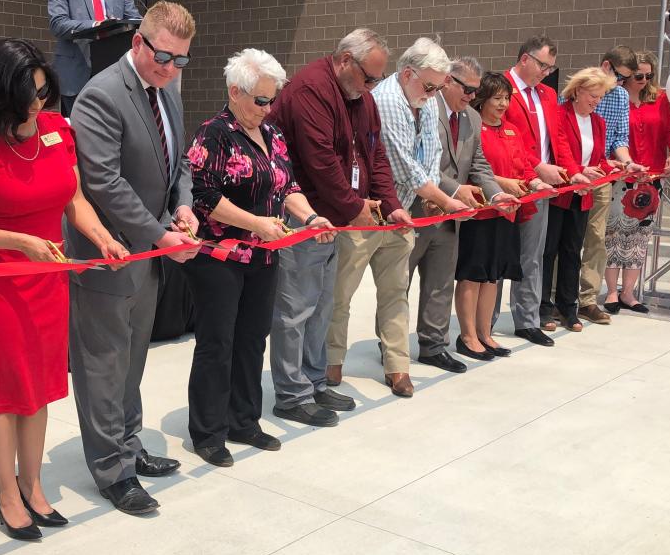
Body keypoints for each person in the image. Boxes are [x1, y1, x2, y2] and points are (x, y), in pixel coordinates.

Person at [0, 39, 129, 536]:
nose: (36, 105)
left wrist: (103, 237)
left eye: (44, 93)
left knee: (41, 387)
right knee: (5, 392)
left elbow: (74, 199)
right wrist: (19, 241)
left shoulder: (55, 130)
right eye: (26, 95)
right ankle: (6, 491)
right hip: (0, 283)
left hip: (48, 277)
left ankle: (34, 483)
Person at [65, 1, 198, 515]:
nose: (171, 68)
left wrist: (182, 207)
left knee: (134, 355)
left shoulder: (168, 92)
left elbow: (178, 161)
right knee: (103, 362)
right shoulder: (100, 96)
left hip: (149, 248)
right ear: (137, 43)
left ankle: (129, 443)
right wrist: (160, 234)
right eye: (164, 56)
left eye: (181, 60)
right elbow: (104, 182)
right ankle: (110, 469)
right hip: (108, 251)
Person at [183, 49, 336, 466]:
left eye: (272, 100)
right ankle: (208, 431)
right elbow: (204, 197)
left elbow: (287, 188)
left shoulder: (273, 136)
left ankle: (244, 420)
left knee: (252, 339)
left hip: (263, 254)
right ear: (235, 92)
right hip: (219, 256)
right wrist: (255, 222)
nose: (267, 109)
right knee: (218, 343)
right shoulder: (213, 134)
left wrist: (311, 216)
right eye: (260, 101)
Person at [268, 29, 412, 422]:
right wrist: (354, 208)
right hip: (302, 213)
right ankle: (292, 394)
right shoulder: (311, 89)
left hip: (333, 217)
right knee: (296, 307)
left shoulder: (361, 98)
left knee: (322, 304)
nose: (372, 87)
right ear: (345, 60)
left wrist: (392, 206)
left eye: (378, 80)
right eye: (369, 77)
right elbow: (320, 162)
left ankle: (314, 382)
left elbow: (375, 155)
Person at [331, 36, 469, 395]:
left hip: (400, 212)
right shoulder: (390, 100)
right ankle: (331, 364)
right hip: (366, 214)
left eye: (439, 87)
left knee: (395, 294)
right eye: (429, 86)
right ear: (408, 73)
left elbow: (431, 156)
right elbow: (404, 167)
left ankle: (397, 366)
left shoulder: (422, 99)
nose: (434, 93)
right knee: (341, 294)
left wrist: (440, 194)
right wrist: (446, 199)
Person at [406, 56, 511, 372]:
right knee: (400, 285)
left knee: (439, 284)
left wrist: (496, 192)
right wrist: (454, 191)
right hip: (417, 211)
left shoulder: (471, 119)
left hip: (451, 218)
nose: (471, 97)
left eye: (476, 91)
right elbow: (419, 163)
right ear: (448, 81)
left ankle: (433, 346)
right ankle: (392, 349)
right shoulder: (424, 109)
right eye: (467, 89)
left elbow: (478, 164)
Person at [454, 73, 549, 359]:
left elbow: (524, 167)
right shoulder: (473, 129)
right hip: (481, 213)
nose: (503, 104)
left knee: (493, 276)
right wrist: (501, 183)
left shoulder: (511, 131)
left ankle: (485, 334)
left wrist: (535, 183)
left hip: (506, 212)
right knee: (473, 275)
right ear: (482, 99)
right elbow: (470, 168)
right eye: (497, 98)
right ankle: (468, 336)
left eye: (507, 98)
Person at [501, 34, 587, 346]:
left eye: (550, 68)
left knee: (533, 255)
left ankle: (527, 318)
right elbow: (507, 140)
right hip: (510, 182)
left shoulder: (548, 95)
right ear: (525, 58)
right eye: (542, 65)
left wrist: (572, 172)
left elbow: (558, 140)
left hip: (543, 187)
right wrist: (537, 168)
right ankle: (482, 326)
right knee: (497, 257)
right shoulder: (501, 90)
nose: (545, 72)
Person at [604, 50, 670, 314]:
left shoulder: (659, 98)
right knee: (614, 233)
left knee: (639, 236)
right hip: (620, 176)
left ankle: (629, 292)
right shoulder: (615, 97)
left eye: (649, 75)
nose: (644, 80)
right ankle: (612, 292)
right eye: (638, 75)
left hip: (652, 177)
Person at [541, 68, 616, 333]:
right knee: (549, 251)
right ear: (577, 91)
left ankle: (568, 307)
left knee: (573, 252)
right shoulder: (560, 114)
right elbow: (560, 150)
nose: (597, 101)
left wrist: (613, 167)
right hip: (561, 191)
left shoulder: (598, 122)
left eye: (600, 97)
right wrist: (577, 173)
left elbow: (600, 160)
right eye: (593, 96)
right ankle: (543, 306)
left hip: (583, 194)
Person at [577, 46, 647, 325]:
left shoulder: (619, 96)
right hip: (575, 175)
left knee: (596, 239)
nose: (621, 83)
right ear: (606, 66)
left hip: (603, 176)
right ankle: (558, 297)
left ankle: (588, 300)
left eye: (626, 79)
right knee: (567, 238)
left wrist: (627, 162)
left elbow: (619, 138)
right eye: (619, 76)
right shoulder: (578, 90)